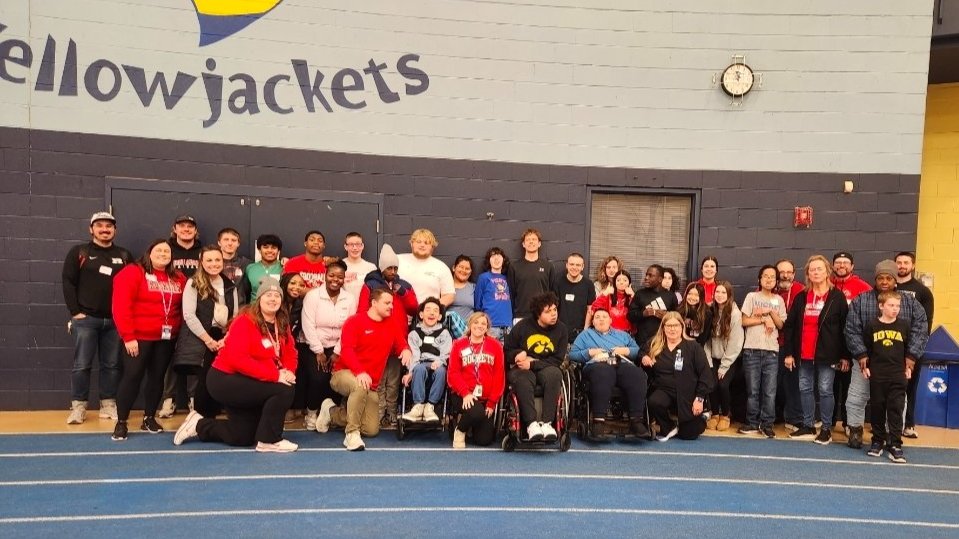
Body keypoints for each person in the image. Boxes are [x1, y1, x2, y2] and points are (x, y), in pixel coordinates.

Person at [173, 278, 299, 453]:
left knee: (243, 436)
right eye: (268, 295)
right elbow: (238, 360)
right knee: (283, 389)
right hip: (225, 379)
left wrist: (289, 371)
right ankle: (269, 440)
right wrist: (276, 375)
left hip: (250, 379)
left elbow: (291, 352)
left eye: (277, 295)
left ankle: (199, 424)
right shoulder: (245, 321)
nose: (273, 299)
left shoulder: (281, 323)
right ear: (259, 299)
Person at [842, 260, 928, 449]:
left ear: (895, 280)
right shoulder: (861, 300)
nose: (884, 281)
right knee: (856, 397)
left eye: (889, 278)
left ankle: (892, 434)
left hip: (896, 363)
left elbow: (921, 330)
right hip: (865, 361)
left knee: (897, 401)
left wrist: (911, 356)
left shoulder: (910, 303)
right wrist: (861, 354)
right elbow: (851, 330)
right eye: (880, 278)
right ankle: (855, 429)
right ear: (875, 279)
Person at [316, 288, 413, 451]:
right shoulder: (354, 321)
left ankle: (331, 412)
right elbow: (347, 350)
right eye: (387, 303)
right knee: (359, 386)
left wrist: (406, 349)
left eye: (392, 303)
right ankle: (351, 434)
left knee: (370, 430)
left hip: (371, 384)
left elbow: (400, 343)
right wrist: (360, 371)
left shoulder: (391, 323)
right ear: (374, 303)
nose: (391, 306)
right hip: (342, 374)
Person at [111, 239, 187, 441]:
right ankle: (121, 422)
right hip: (138, 338)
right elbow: (121, 305)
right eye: (159, 250)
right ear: (149, 253)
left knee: (157, 378)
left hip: (166, 338)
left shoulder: (178, 277)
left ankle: (149, 418)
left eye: (167, 251)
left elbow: (183, 307)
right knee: (132, 377)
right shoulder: (133, 272)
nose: (163, 254)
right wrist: (128, 336)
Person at [61, 211, 133, 424]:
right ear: (91, 229)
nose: (104, 229)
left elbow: (131, 286)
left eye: (109, 226)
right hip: (86, 320)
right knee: (82, 365)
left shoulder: (125, 255)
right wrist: (75, 312)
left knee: (111, 365)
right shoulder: (79, 252)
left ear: (115, 230)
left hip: (115, 321)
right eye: (99, 225)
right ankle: (78, 407)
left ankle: (108, 405)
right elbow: (68, 282)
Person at [782, 255, 849, 445]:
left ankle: (826, 429)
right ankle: (808, 425)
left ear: (827, 272)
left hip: (828, 354)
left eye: (819, 269)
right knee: (804, 388)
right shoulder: (802, 296)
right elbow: (790, 326)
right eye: (812, 270)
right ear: (808, 274)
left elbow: (845, 327)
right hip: (803, 353)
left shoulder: (837, 297)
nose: (816, 272)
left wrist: (845, 355)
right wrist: (789, 353)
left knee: (825, 390)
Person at [172, 245, 239, 419]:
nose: (213, 264)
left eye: (217, 260)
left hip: (222, 339)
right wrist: (208, 340)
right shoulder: (193, 283)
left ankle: (213, 417)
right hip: (201, 338)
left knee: (219, 379)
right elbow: (189, 315)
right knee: (202, 381)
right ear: (201, 262)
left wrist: (226, 339)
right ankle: (200, 419)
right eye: (209, 260)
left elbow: (235, 317)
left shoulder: (230, 286)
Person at [358, 244, 419, 427]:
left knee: (393, 380)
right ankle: (378, 412)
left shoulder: (404, 285)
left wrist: (403, 293)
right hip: (377, 340)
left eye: (395, 268)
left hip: (398, 339)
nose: (393, 271)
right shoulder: (370, 285)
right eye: (389, 268)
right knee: (378, 379)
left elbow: (415, 308)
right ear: (382, 268)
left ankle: (391, 412)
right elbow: (362, 311)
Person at [570, 308, 650, 440]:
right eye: (597, 317)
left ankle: (636, 421)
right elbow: (572, 354)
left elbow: (637, 351)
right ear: (593, 322)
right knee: (604, 372)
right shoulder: (585, 335)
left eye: (604, 317)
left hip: (621, 363)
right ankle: (598, 421)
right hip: (597, 365)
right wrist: (589, 352)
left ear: (610, 320)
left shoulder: (622, 335)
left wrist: (625, 351)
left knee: (637, 374)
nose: (601, 319)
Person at [504, 292, 568, 442]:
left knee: (555, 374)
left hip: (545, 366)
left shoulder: (561, 329)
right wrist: (518, 354)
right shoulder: (523, 326)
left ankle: (547, 423)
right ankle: (531, 424)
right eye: (548, 311)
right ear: (538, 314)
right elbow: (507, 351)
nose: (553, 314)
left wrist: (532, 363)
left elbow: (557, 360)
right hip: (522, 368)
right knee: (523, 378)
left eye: (555, 310)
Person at [641, 312, 715, 441]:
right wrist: (644, 357)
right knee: (654, 402)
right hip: (664, 389)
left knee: (688, 434)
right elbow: (640, 352)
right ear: (663, 327)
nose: (672, 329)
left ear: (682, 327)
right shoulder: (655, 344)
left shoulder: (693, 346)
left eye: (676, 325)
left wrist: (699, 398)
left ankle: (703, 416)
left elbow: (706, 374)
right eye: (669, 326)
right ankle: (669, 426)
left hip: (689, 393)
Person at [301, 261, 357, 431]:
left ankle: (331, 413)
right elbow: (308, 324)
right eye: (331, 275)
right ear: (325, 276)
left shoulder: (349, 298)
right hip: (314, 345)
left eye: (340, 277)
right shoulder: (313, 296)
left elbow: (349, 327)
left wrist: (337, 351)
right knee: (318, 378)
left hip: (338, 346)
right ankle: (311, 412)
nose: (335, 280)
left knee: (336, 379)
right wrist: (318, 351)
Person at [860, 291, 913, 463]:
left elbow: (909, 349)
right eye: (891, 305)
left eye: (897, 306)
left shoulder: (904, 326)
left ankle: (895, 444)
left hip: (897, 375)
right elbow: (867, 349)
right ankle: (877, 441)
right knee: (877, 409)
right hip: (878, 375)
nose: (895, 309)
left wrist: (909, 367)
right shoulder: (872, 325)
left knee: (896, 409)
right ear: (881, 306)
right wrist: (866, 367)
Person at [160, 215, 201, 417]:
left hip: (197, 311)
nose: (186, 229)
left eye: (190, 226)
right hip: (171, 309)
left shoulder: (203, 252)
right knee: (169, 356)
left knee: (194, 356)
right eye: (182, 226)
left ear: (195, 231)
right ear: (174, 229)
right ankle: (169, 399)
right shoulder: (165, 249)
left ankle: (194, 399)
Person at [738, 265, 787, 439]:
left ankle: (767, 424)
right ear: (759, 279)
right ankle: (751, 422)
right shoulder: (752, 297)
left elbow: (781, 325)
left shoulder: (779, 300)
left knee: (770, 391)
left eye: (772, 277)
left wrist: (769, 312)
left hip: (771, 351)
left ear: (776, 281)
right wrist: (762, 320)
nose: (769, 279)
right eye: (765, 276)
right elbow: (744, 321)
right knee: (752, 390)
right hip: (752, 349)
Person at [448, 312, 505, 448]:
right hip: (462, 395)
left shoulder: (496, 346)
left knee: (484, 440)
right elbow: (453, 373)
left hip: (485, 399)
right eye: (476, 322)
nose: (479, 326)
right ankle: (460, 430)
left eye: (483, 324)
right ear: (470, 325)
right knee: (476, 412)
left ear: (487, 328)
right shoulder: (458, 344)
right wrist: (465, 393)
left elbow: (499, 375)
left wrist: (492, 402)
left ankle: (470, 422)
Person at [894, 251, 934, 439]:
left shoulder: (922, 291)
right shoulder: (888, 286)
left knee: (909, 387)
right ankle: (889, 425)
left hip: (911, 349)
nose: (902, 266)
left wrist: (915, 351)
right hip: (889, 346)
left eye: (906, 262)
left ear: (913, 265)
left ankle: (908, 424)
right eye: (899, 262)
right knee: (890, 388)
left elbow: (926, 324)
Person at [829, 251, 870, 431]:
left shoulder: (863, 288)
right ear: (833, 265)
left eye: (845, 262)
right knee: (828, 385)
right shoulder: (826, 285)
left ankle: (848, 423)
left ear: (852, 266)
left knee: (849, 387)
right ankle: (829, 422)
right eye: (838, 262)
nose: (841, 265)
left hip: (852, 345)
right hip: (830, 344)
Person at [402, 298, 453, 423]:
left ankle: (430, 406)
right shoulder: (414, 334)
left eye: (435, 311)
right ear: (421, 314)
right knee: (419, 368)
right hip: (420, 363)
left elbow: (446, 353)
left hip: (438, 363)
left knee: (441, 371)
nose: (432, 313)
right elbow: (415, 355)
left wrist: (439, 362)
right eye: (428, 310)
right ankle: (418, 406)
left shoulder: (444, 333)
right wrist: (410, 372)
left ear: (439, 316)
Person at [704, 281, 743, 432]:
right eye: (717, 292)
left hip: (729, 358)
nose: (719, 295)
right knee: (712, 384)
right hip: (713, 357)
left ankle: (725, 415)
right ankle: (714, 414)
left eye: (723, 292)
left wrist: (724, 366)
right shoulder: (710, 311)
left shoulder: (735, 314)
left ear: (729, 295)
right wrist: (708, 360)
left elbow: (735, 343)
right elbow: (706, 339)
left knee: (723, 385)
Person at [774, 259, 805, 432]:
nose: (785, 275)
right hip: (771, 344)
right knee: (774, 383)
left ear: (794, 274)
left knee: (793, 382)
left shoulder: (802, 291)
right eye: (781, 272)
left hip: (792, 344)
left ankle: (794, 418)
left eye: (789, 272)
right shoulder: (767, 289)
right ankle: (774, 415)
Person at [279, 272, 309, 425]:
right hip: (275, 344)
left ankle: (296, 406)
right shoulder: (275, 300)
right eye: (293, 283)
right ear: (284, 283)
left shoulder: (301, 304)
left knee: (300, 370)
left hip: (293, 344)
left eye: (301, 285)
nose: (297, 287)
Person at [397, 228, 455, 307]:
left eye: (426, 243)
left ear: (432, 247)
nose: (422, 245)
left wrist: (431, 308)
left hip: (427, 314)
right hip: (399, 311)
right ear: (411, 243)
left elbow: (449, 295)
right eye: (418, 242)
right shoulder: (397, 260)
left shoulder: (441, 267)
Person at [627, 265, 678, 350]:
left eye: (650, 276)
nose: (646, 278)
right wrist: (643, 314)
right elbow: (630, 316)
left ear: (660, 279)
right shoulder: (640, 294)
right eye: (646, 275)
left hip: (663, 342)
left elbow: (677, 318)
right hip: (642, 342)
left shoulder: (670, 296)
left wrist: (667, 316)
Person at [507, 229, 554, 320]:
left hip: (542, 315)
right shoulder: (514, 266)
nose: (531, 242)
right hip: (520, 316)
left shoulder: (548, 266)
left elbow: (552, 293)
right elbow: (511, 294)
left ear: (539, 244)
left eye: (534, 239)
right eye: (528, 240)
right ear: (523, 244)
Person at [553, 252, 596, 340]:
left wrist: (585, 330)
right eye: (572, 264)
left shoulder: (588, 284)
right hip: (560, 331)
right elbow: (553, 307)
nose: (574, 267)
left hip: (580, 332)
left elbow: (590, 309)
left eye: (578, 265)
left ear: (582, 267)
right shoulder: (558, 282)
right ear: (567, 265)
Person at [474, 247, 513, 343]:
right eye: (493, 256)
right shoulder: (483, 278)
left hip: (507, 325)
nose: (496, 258)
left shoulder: (508, 278)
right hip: (491, 325)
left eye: (499, 256)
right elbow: (478, 304)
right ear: (489, 260)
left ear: (503, 260)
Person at [588, 269, 634, 333]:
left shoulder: (632, 296)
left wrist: (633, 296)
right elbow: (594, 308)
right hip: (610, 333)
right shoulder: (609, 296)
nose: (621, 282)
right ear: (615, 282)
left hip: (627, 333)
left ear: (629, 283)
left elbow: (637, 315)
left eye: (625, 280)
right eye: (618, 280)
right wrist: (605, 293)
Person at [243, 234, 284, 301]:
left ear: (278, 251)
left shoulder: (284, 267)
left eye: (273, 248)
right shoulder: (250, 268)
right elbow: (245, 291)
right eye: (266, 247)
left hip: (276, 305)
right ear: (259, 250)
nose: (269, 250)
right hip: (254, 306)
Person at [217, 228, 250, 305]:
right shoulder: (212, 263)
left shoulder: (246, 263)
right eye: (226, 240)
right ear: (219, 242)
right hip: (217, 307)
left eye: (233, 240)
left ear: (238, 243)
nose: (230, 243)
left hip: (240, 308)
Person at [677, 282, 713, 346]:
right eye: (690, 294)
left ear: (701, 297)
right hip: (680, 346)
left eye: (696, 295)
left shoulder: (707, 313)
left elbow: (704, 337)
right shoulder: (679, 310)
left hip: (697, 347)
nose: (692, 297)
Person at [342, 232, 377, 299]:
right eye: (351, 244)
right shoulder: (339, 266)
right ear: (346, 247)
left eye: (357, 244)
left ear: (362, 246)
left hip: (365, 305)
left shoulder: (371, 268)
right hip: (345, 304)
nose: (355, 248)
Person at [449, 255, 476, 321]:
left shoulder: (474, 287)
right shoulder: (445, 286)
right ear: (454, 268)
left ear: (470, 272)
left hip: (468, 326)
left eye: (467, 269)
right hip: (448, 325)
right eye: (461, 267)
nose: (464, 270)